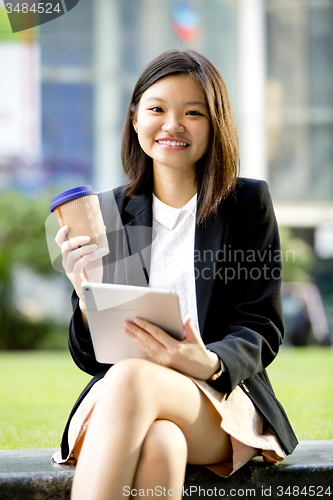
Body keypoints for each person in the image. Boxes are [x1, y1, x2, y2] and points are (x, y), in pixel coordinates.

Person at [54, 50, 298, 500]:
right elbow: (93, 357)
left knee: (129, 377)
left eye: (193, 113)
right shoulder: (109, 214)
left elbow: (261, 324)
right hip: (127, 404)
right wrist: (85, 294)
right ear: (134, 119)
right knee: (161, 443)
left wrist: (205, 361)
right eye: (157, 109)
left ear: (215, 123)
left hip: (217, 397)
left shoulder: (246, 204)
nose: (172, 125)